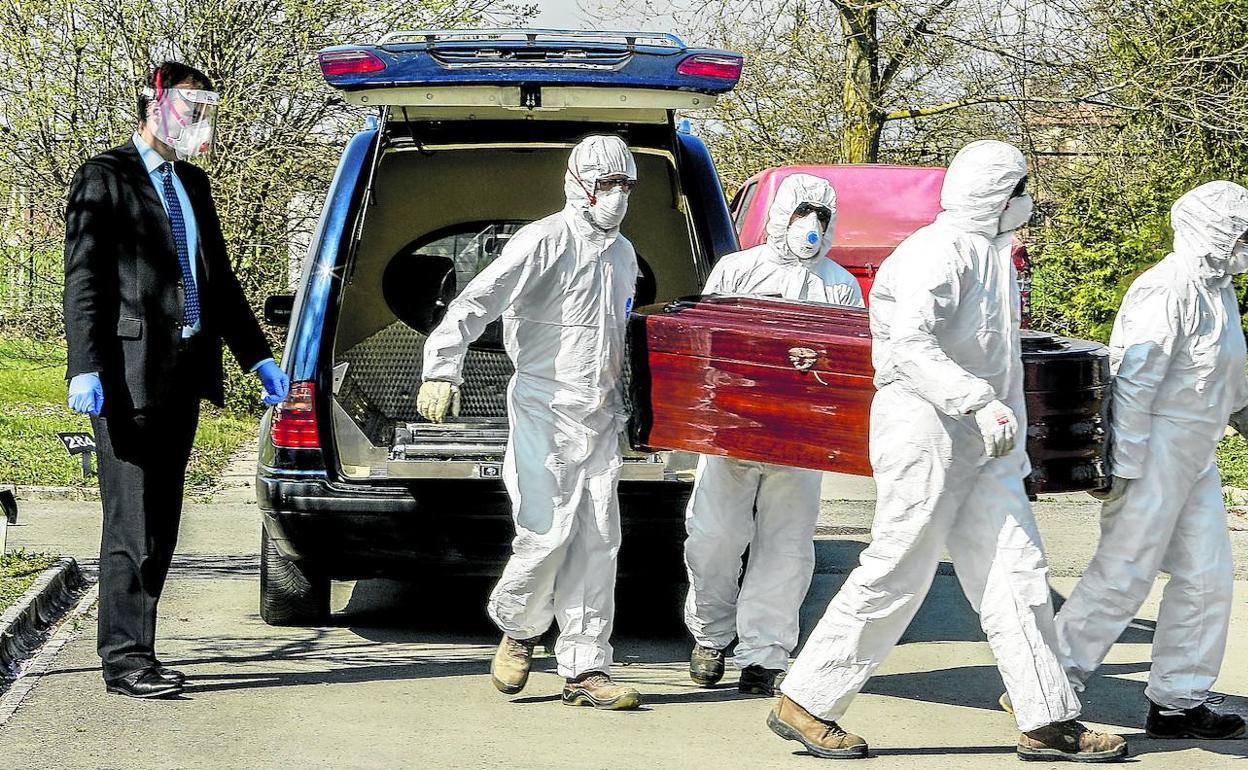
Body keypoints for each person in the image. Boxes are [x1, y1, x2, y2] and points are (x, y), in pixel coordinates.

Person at [766, 140, 1127, 762]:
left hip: (982, 439)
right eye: (1019, 190)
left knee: (1019, 573)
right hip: (927, 428)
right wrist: (972, 399)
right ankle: (807, 699)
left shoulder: (994, 257)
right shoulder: (934, 254)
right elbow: (907, 345)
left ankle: (1047, 718)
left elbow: (998, 353)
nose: (1026, 201)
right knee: (899, 568)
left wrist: (1004, 427)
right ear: (993, 194)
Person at [64, 61, 289, 699]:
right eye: (188, 109)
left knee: (162, 520)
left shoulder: (193, 183)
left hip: (182, 375)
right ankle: (125, 660)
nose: (199, 123)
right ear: (154, 108)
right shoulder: (104, 177)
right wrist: (85, 365)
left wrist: (256, 356)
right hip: (125, 377)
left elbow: (215, 280)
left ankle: (143, 650)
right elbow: (84, 281)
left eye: (204, 110)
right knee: (130, 521)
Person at [416, 134, 642, 710]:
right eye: (607, 184)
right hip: (543, 404)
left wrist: (635, 404)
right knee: (544, 533)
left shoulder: (624, 255)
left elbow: (619, 337)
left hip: (599, 412)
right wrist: (442, 368)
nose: (616, 195)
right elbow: (476, 300)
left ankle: (586, 669)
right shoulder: (543, 240)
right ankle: (519, 630)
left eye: (625, 185)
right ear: (580, 184)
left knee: (598, 540)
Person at [1052, 181, 1248, 740]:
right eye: (1243, 233)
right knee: (1122, 574)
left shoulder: (1219, 290)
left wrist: (1239, 416)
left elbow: (1223, 377)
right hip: (1155, 449)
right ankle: (1047, 687)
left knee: (1207, 577)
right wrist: (1123, 465)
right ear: (1215, 231)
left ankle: (1179, 701)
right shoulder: (1166, 288)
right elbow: (1135, 383)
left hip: (1196, 455)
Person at [684, 174, 864, 696]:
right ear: (779, 215)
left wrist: (819, 365)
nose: (811, 227)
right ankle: (711, 634)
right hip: (735, 427)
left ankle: (764, 653)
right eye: (801, 213)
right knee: (714, 538)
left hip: (799, 433)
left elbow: (846, 355)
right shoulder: (738, 270)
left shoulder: (839, 284)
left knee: (785, 547)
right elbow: (707, 341)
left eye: (822, 217)